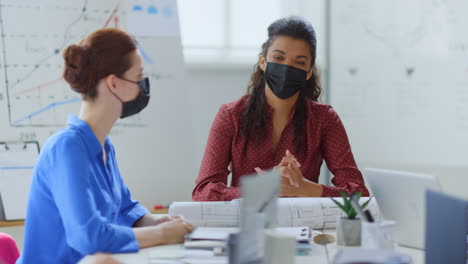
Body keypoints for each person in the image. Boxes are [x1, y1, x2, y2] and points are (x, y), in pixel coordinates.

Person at [18, 28, 192, 264]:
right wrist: (160, 234)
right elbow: (88, 237)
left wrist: (160, 222)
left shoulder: (103, 146)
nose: (143, 85)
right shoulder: (66, 148)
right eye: (138, 76)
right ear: (113, 83)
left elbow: (124, 209)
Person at [193, 17, 369, 201]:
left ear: (309, 72)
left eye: (299, 62)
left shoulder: (324, 119)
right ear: (263, 62)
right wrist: (264, 189)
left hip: (305, 225)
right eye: (278, 58)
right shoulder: (231, 115)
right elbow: (203, 192)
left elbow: (359, 194)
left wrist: (306, 189)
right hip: (247, 224)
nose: (286, 67)